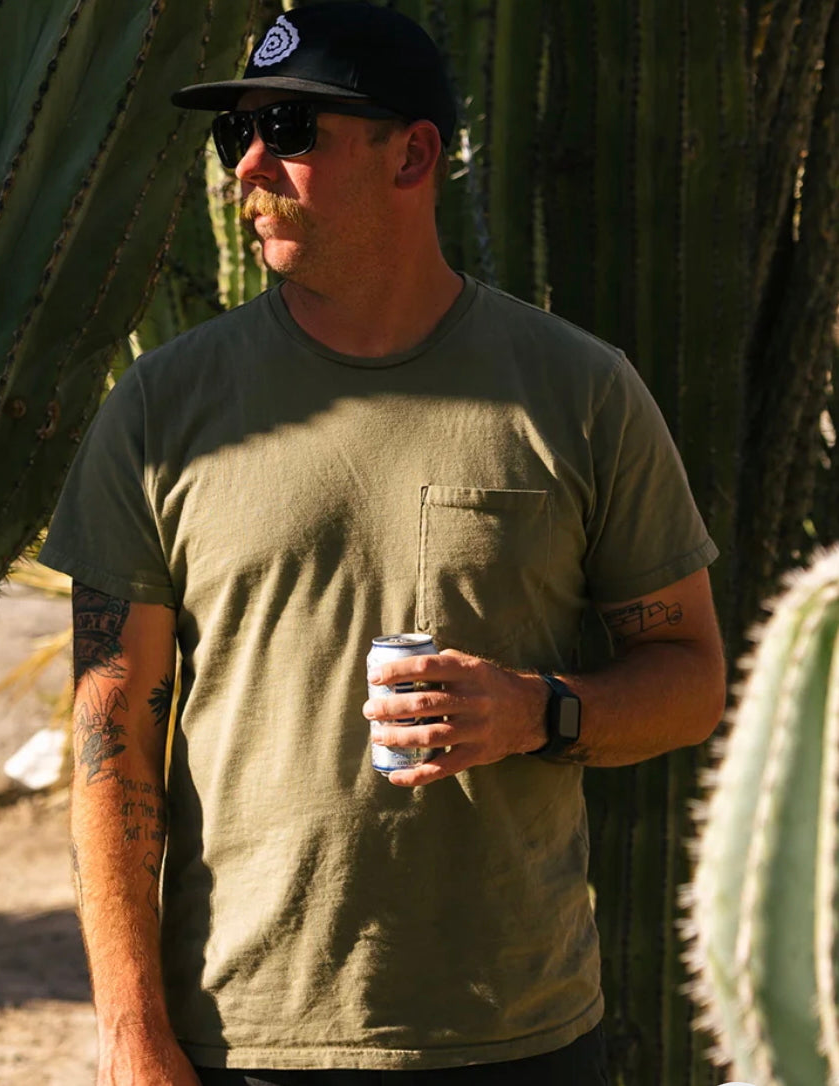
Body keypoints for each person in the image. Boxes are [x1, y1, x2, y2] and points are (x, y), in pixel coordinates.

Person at [39, 4, 726, 1084]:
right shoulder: (163, 409)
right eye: (236, 133)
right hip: (246, 1041)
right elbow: (111, 726)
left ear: (411, 155)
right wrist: (133, 1037)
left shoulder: (580, 392)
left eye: (290, 129)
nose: (248, 166)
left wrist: (535, 711)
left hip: (520, 1037)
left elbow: (689, 680)